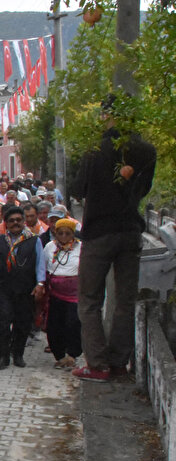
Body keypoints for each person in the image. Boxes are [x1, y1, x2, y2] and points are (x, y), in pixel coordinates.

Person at [72, 96, 157, 382]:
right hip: (131, 231)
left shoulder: (95, 150)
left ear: (107, 116)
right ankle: (120, 363)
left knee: (90, 300)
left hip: (98, 233)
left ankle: (97, 365)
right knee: (125, 299)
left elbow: (78, 188)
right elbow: (144, 189)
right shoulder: (147, 151)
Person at [0, 206, 46, 370]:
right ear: (6, 223)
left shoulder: (34, 240)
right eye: (11, 221)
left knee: (23, 323)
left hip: (26, 288)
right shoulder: (0, 240)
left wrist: (40, 284)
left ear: (24, 221)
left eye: (18, 220)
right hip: (5, 289)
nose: (15, 223)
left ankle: (18, 355)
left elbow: (40, 264)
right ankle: (3, 357)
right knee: (3, 323)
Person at [44, 218, 83, 369]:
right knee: (54, 326)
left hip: (75, 295)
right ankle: (59, 356)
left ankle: (72, 355)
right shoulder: (49, 247)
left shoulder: (81, 247)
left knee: (73, 324)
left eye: (68, 233)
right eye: (60, 233)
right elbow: (44, 267)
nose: (64, 236)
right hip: (55, 294)